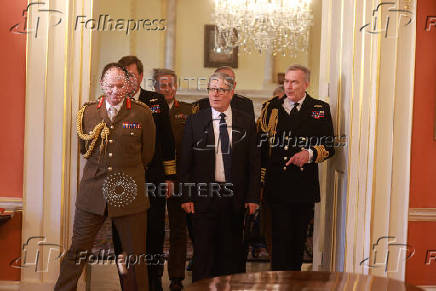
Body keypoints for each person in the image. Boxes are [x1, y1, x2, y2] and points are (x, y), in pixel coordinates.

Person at [55, 63, 156, 291]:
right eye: (110, 86)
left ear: (128, 85)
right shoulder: (88, 112)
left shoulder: (142, 113)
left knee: (134, 256)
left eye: (120, 85)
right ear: (102, 84)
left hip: (129, 193)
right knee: (77, 250)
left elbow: (147, 154)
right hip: (92, 194)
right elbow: (84, 148)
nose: (115, 91)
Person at [180, 72, 260, 282]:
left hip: (235, 198)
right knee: (204, 255)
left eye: (221, 90)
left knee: (231, 254)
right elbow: (185, 163)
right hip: (203, 197)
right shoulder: (195, 121)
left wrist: (252, 197)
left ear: (231, 92)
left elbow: (254, 163)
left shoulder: (246, 121)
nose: (215, 94)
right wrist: (187, 196)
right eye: (211, 89)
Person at [259, 64, 335, 271]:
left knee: (296, 240)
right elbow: (261, 145)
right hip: (276, 184)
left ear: (306, 84)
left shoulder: (319, 109)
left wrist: (309, 154)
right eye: (286, 81)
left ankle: (294, 282)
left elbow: (329, 145)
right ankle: (278, 282)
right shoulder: (271, 108)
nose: (289, 86)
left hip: (302, 187)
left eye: (295, 82)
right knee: (278, 240)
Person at [118, 56, 176, 291]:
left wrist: (170, 176)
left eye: (131, 75)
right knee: (121, 232)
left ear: (140, 77)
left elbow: (167, 140)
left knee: (153, 230)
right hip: (122, 181)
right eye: (123, 76)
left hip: (152, 179)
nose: (127, 81)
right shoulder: (115, 100)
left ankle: (153, 278)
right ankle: (126, 280)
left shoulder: (156, 101)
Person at [153, 68, 192, 291]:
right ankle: (155, 270)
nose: (167, 89)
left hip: (179, 179)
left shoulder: (186, 111)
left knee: (179, 228)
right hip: (155, 179)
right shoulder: (148, 109)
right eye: (162, 85)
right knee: (156, 227)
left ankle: (177, 275)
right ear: (156, 87)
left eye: (170, 85)